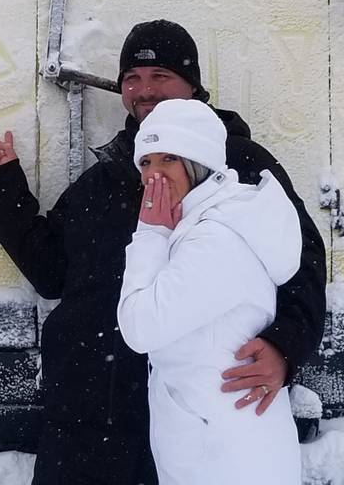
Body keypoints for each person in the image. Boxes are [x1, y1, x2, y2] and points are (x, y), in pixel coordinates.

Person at [0, 20, 325, 484]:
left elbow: (302, 262)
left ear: (192, 85)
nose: (144, 90)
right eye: (132, 79)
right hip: (90, 413)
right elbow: (51, 270)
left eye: (160, 76)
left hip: (189, 411)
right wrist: (4, 190)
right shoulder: (108, 175)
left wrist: (286, 346)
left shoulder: (239, 165)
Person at [117, 98, 302, 485]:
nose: (154, 174)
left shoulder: (218, 237)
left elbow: (140, 327)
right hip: (213, 444)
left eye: (168, 158)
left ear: (198, 163)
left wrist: (150, 233)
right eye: (146, 162)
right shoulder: (198, 223)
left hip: (225, 455)